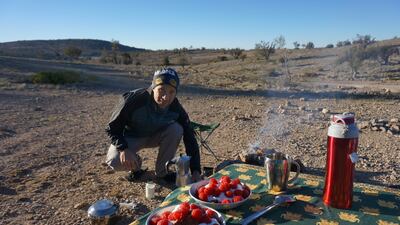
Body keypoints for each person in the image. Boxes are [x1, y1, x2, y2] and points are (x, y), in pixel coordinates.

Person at [105, 68, 202, 183]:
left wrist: (196, 170)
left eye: (171, 92)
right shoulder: (133, 100)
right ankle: (136, 170)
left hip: (155, 136)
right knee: (114, 161)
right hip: (131, 137)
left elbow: (189, 137)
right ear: (153, 87)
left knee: (176, 129)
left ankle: (162, 172)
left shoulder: (176, 108)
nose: (166, 97)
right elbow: (112, 129)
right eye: (161, 90)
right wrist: (124, 149)